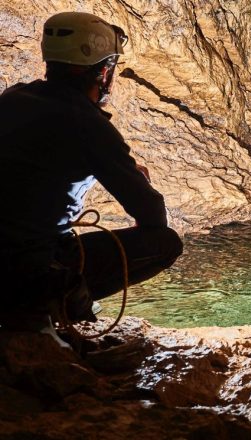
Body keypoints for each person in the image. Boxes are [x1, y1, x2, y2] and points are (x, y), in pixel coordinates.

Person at [0, 12, 183, 342]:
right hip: (28, 274)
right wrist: (129, 179)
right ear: (103, 70)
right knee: (164, 243)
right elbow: (151, 211)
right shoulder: (87, 122)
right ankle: (59, 301)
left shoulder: (11, 98)